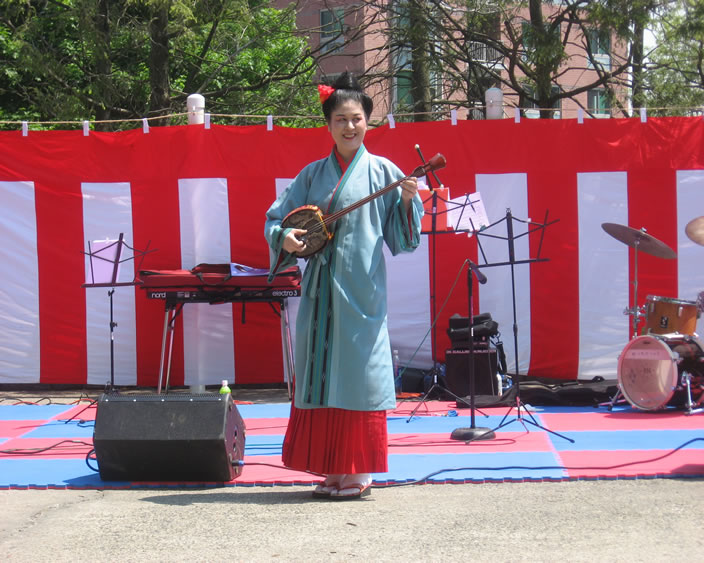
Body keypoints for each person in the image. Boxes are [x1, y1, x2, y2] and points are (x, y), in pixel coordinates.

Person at [264, 72, 424, 500]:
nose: (349, 127)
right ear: (328, 124)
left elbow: (402, 240)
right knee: (321, 374)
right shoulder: (312, 174)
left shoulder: (385, 172)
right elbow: (276, 218)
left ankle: (360, 472)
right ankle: (333, 469)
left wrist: (407, 199)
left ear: (368, 122)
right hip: (318, 294)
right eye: (340, 119)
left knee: (359, 377)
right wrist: (286, 238)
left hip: (361, 292)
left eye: (356, 118)